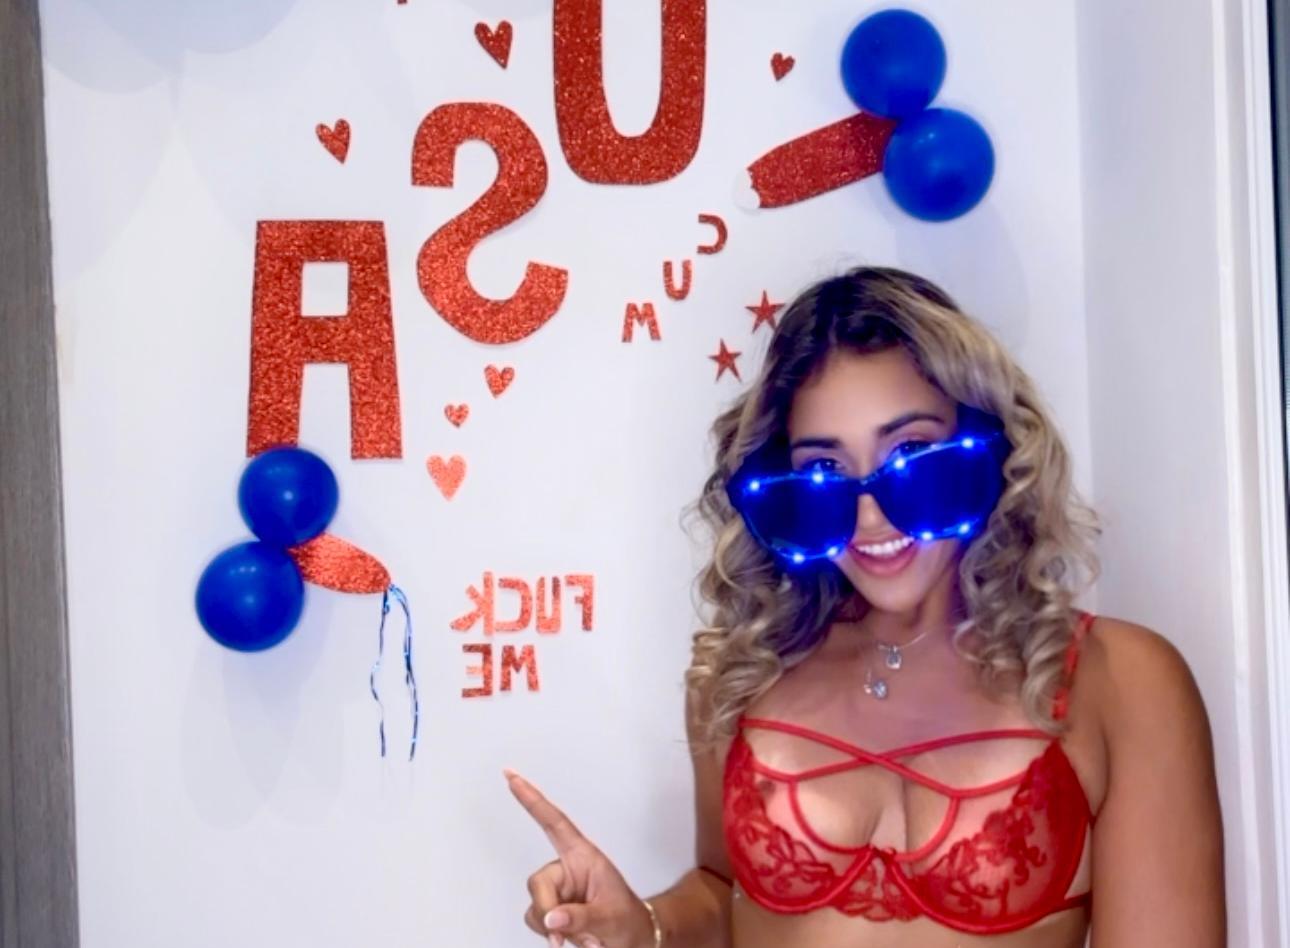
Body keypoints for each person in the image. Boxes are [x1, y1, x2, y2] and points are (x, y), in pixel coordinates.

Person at [505, 267, 1225, 947]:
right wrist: (645, 926)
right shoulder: (739, 673)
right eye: (825, 469)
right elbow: (725, 891)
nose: (870, 515)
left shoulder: (1123, 682)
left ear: (989, 448)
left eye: (911, 453)